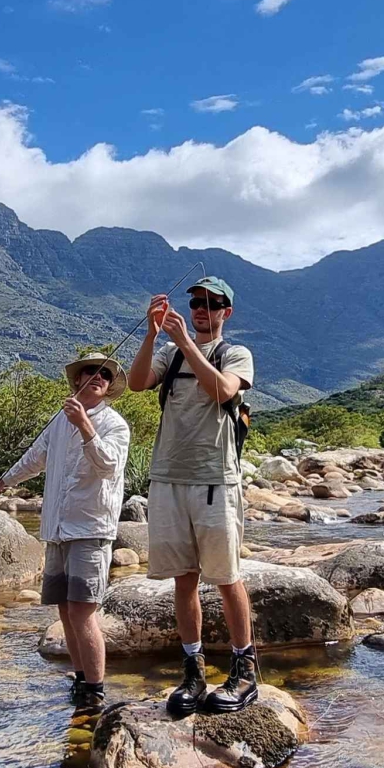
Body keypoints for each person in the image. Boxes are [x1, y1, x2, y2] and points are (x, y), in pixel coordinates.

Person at [127, 275, 257, 716]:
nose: (202, 309)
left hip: (215, 480)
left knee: (225, 576)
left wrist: (186, 342)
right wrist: (151, 333)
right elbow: (137, 382)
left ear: (226, 312)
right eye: (196, 302)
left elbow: (223, 390)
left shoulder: (234, 354)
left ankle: (245, 670)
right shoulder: (168, 352)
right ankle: (193, 670)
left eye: (212, 303)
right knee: (183, 579)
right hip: (167, 478)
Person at [0, 352, 131, 708]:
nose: (98, 377)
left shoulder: (115, 425)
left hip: (91, 529)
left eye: (105, 375)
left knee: (82, 611)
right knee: (64, 610)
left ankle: (95, 691)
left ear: (109, 387)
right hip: (58, 529)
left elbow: (108, 466)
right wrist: (2, 482)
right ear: (77, 381)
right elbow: (35, 458)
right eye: (91, 372)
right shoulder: (57, 422)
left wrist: (85, 425)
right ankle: (81, 680)